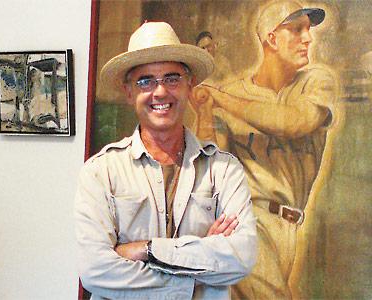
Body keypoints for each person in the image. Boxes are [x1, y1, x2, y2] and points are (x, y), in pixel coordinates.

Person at [75, 21, 257, 299]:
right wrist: (197, 266)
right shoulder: (101, 172)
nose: (160, 92)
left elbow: (240, 258)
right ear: (129, 92)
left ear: (189, 84)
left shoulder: (224, 170)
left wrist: (146, 249)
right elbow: (95, 271)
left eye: (171, 78)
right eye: (145, 81)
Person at [190, 1, 343, 299]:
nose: (308, 38)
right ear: (271, 38)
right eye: (297, 30)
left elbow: (295, 122)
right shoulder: (232, 93)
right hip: (245, 220)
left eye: (308, 30)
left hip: (289, 227)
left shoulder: (316, 81)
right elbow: (208, 170)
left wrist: (219, 99)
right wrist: (206, 112)